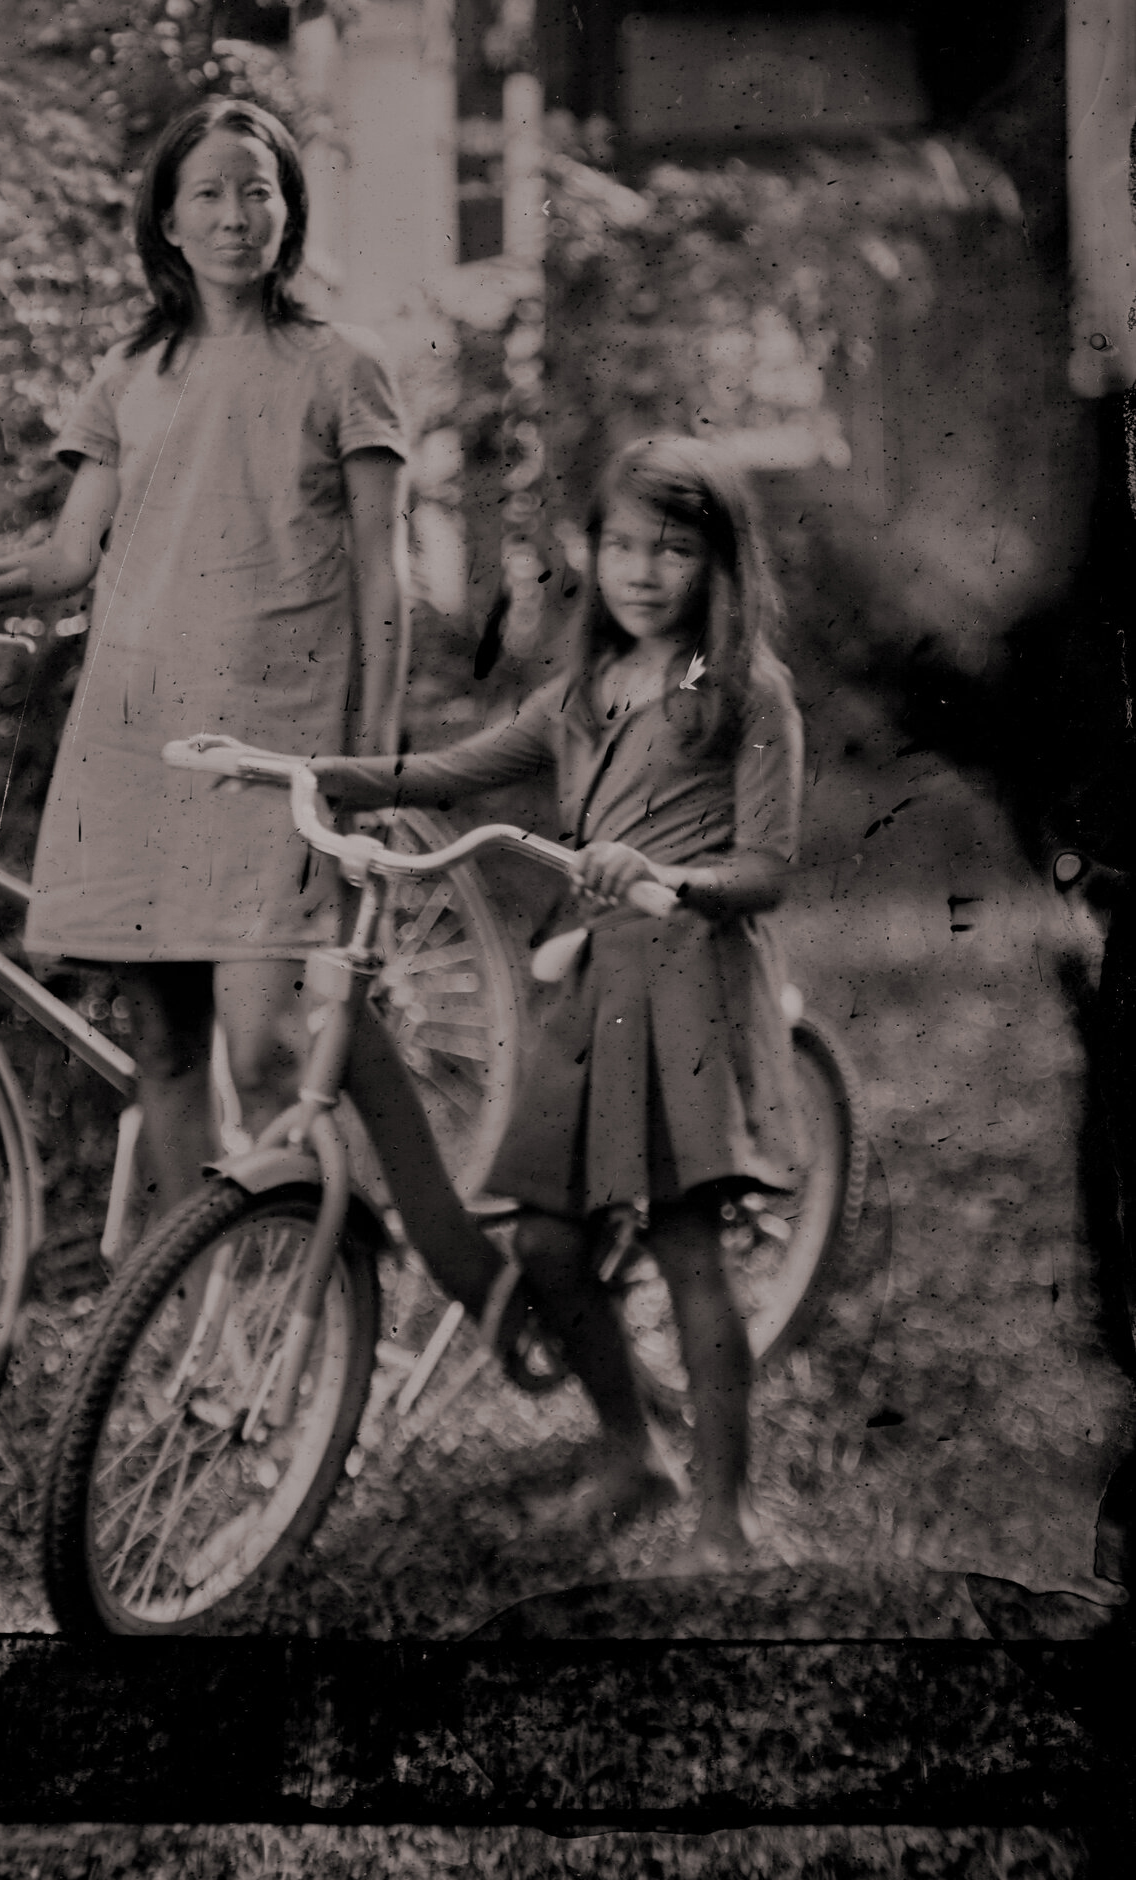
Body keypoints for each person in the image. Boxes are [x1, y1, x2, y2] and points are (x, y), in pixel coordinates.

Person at [0, 98, 502, 1334]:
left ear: (288, 209)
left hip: (276, 757)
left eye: (257, 191)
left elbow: (385, 577)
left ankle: (334, 1311)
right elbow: (68, 558)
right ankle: (190, 1328)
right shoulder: (130, 373)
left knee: (268, 1054)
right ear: (166, 218)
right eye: (209, 194)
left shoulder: (342, 365)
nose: (235, 215)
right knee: (164, 1054)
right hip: (138, 745)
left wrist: (366, 768)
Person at [309, 436, 806, 1564]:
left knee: (688, 1247)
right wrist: (308, 771)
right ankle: (633, 1448)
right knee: (543, 1239)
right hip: (591, 987)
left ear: (719, 562)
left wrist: (672, 877)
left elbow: (768, 866)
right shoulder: (585, 689)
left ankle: (728, 1516)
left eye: (672, 549)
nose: (641, 572)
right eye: (623, 546)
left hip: (686, 980)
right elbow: (454, 767)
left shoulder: (738, 692)